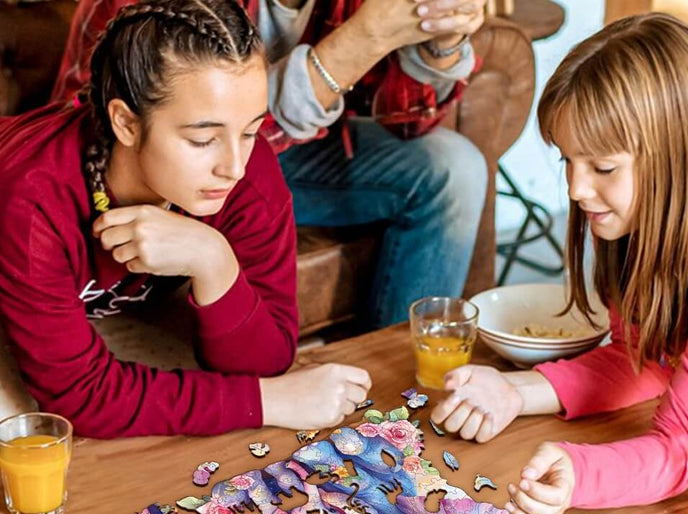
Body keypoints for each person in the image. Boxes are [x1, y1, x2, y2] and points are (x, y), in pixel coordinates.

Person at [0, 0, 370, 439]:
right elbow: (82, 398)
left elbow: (267, 358)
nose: (234, 165)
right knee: (22, 434)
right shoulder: (32, 199)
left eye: (250, 131)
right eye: (203, 140)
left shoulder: (246, 169)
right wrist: (270, 400)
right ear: (126, 123)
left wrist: (214, 260)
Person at [431, 13, 688, 514]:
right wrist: (515, 391)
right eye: (568, 160)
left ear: (682, 158)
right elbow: (644, 358)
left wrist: (578, 473)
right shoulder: (640, 232)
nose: (575, 189)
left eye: (603, 168)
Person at [51, 0, 489, 328]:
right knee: (225, 150)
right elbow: (109, 138)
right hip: (154, 166)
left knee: (453, 168)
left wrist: (440, 42)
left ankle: (402, 386)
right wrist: (362, 39)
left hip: (288, 150)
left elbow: (410, 124)